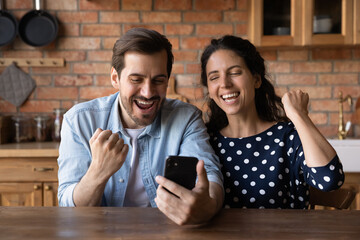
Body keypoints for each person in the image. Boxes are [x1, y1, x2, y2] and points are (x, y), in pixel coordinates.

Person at [57, 28, 224, 225]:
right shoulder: (78, 121)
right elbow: (69, 207)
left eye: (158, 81)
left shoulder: (186, 117)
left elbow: (210, 176)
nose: (147, 92)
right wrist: (98, 172)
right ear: (115, 78)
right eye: (136, 80)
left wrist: (208, 205)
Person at [200, 35, 344, 209]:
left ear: (256, 79)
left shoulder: (287, 137)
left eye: (235, 72)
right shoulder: (204, 141)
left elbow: (330, 180)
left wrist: (299, 115)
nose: (224, 83)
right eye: (214, 77)